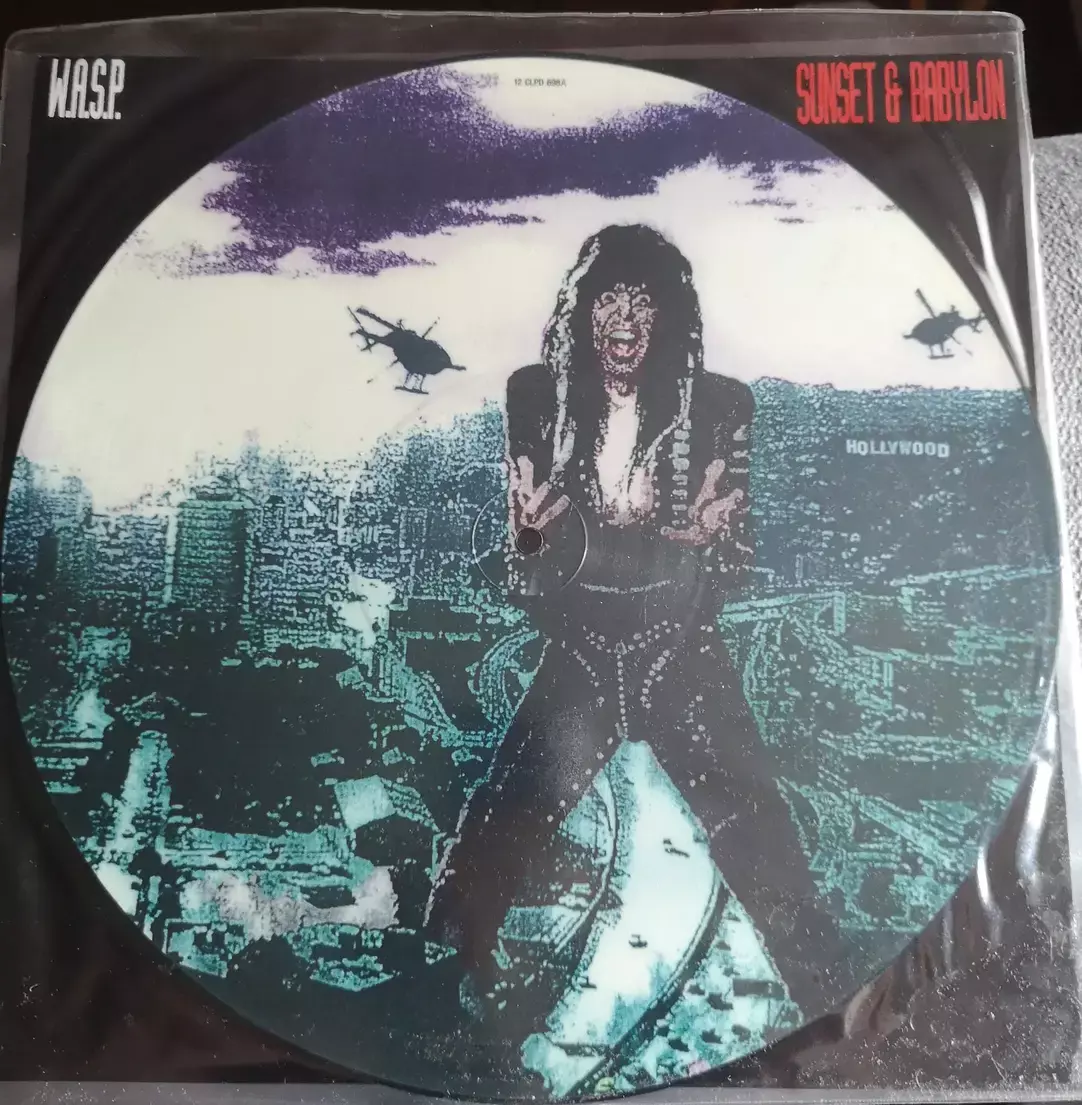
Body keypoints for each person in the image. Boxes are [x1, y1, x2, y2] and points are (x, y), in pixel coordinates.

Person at [421, 223, 845, 1027]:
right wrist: (528, 540)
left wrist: (710, 540)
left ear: (668, 317)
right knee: (487, 850)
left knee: (767, 851)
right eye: (610, 297)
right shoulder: (535, 397)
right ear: (582, 311)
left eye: (643, 301)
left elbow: (732, 570)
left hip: (676, 651)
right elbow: (526, 582)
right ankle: (431, 1013)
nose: (625, 318)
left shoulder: (720, 407)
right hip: (582, 653)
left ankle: (846, 1027)